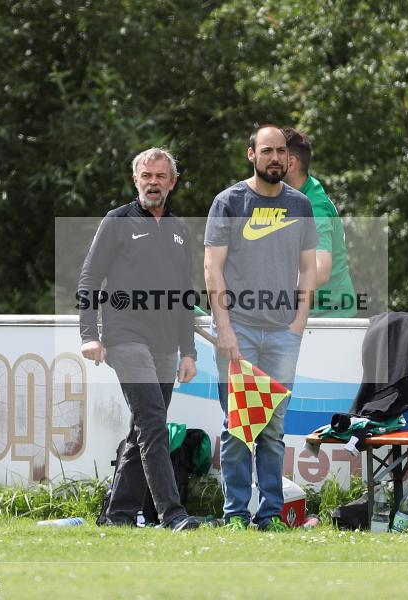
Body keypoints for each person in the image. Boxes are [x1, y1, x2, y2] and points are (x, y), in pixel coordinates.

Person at [78, 147, 201, 532]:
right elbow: (89, 279)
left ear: (172, 182)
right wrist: (89, 334)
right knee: (153, 424)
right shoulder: (117, 221)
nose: (153, 182)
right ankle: (172, 514)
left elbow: (185, 295)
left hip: (166, 345)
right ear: (136, 180)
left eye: (160, 176)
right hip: (125, 337)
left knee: (144, 428)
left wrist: (189, 352)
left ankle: (117, 516)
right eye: (146, 176)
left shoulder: (180, 229)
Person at [204, 125, 317, 531]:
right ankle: (235, 514)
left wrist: (298, 322)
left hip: (283, 334)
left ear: (289, 157)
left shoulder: (300, 204)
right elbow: (212, 268)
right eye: (267, 150)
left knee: (272, 429)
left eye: (281, 151)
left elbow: (308, 268)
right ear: (251, 154)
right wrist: (225, 329)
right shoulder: (229, 202)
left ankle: (270, 515)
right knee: (238, 427)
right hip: (240, 331)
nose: (275, 158)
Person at [282, 127, 357, 317]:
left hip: (328, 319)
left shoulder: (314, 206)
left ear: (290, 163)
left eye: (275, 155)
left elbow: (321, 270)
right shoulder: (296, 194)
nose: (269, 162)